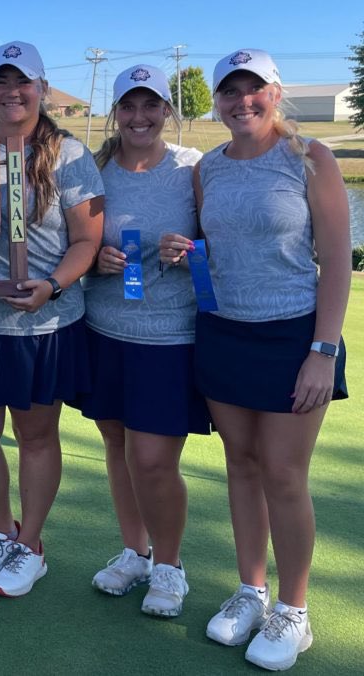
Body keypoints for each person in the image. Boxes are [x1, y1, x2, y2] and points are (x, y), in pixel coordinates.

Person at [166, 48, 349, 671]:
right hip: (223, 333)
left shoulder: (311, 158)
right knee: (240, 466)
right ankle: (251, 590)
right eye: (230, 91)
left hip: (295, 337)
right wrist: (182, 250)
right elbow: (214, 245)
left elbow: (336, 261)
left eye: (254, 89)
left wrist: (323, 352)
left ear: (275, 92)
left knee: (283, 473)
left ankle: (294, 612)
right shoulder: (208, 168)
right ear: (217, 100)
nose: (241, 101)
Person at [0, 41, 103, 597]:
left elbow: (87, 240)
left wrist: (52, 286)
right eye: (1, 82)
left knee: (35, 436)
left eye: (23, 82)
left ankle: (31, 544)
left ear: (42, 89)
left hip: (43, 323)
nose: (12, 92)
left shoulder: (70, 153)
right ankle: (2, 532)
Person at [80, 64, 210, 617]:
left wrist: (191, 253)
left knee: (154, 460)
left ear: (167, 111)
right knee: (117, 446)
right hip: (104, 331)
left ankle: (170, 566)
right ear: (115, 113)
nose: (140, 117)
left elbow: (220, 248)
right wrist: (95, 263)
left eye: (151, 105)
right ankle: (135, 552)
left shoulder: (192, 168)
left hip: (170, 336)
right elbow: (72, 244)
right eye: (129, 106)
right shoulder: (94, 169)